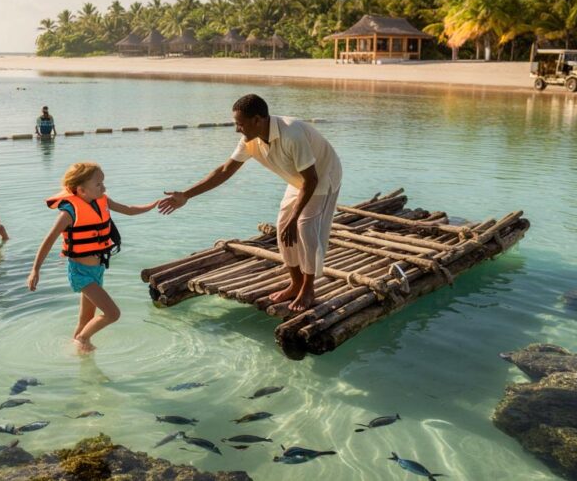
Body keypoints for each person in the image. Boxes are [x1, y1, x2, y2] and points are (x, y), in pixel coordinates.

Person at [159, 94, 342, 312]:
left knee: (304, 226)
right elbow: (225, 170)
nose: (237, 129)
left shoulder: (292, 133)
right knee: (283, 226)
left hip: (322, 177)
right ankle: (295, 283)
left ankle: (308, 289)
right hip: (298, 179)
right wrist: (186, 195)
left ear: (257, 120)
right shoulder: (250, 140)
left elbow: (311, 180)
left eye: (240, 123)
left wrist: (296, 216)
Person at [27, 162, 158, 353]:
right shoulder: (69, 213)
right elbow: (48, 241)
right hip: (80, 273)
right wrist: (35, 270)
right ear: (81, 190)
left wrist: (152, 205)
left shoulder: (102, 200)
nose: (104, 188)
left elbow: (129, 209)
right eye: (98, 184)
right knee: (113, 314)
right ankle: (82, 339)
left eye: (103, 183)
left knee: (86, 319)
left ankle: (78, 356)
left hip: (97, 270)